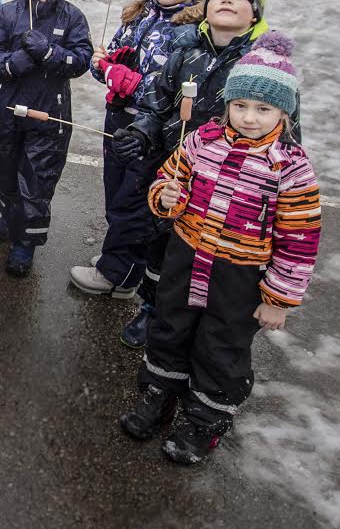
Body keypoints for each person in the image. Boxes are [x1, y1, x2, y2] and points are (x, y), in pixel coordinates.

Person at [121, 32, 320, 465]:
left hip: (239, 274)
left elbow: (298, 240)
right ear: (228, 103)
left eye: (263, 109)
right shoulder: (201, 141)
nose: (249, 117)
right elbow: (165, 181)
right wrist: (165, 197)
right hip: (187, 257)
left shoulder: (291, 169)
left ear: (284, 113)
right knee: (170, 326)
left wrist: (278, 300)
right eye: (241, 105)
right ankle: (161, 394)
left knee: (221, 346)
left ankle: (204, 419)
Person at [111, 0, 294, 347]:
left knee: (212, 252)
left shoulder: (264, 66)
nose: (227, 1)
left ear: (255, 13)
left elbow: (288, 130)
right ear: (205, 7)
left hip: (230, 178)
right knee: (162, 245)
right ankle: (153, 309)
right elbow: (157, 103)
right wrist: (140, 133)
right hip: (175, 167)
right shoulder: (184, 49)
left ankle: (206, 325)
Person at [69, 0, 217, 300]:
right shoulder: (139, 14)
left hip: (150, 130)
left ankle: (119, 275)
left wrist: (133, 82)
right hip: (118, 117)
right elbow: (109, 60)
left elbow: (177, 84)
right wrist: (105, 64)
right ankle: (120, 256)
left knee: (132, 199)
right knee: (114, 189)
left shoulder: (194, 30)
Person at [0, 0, 92, 276]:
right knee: (7, 169)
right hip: (9, 108)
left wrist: (49, 53)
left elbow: (82, 60)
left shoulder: (72, 18)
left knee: (37, 179)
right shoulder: (7, 14)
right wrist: (12, 64)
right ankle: (9, 217)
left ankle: (25, 243)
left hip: (50, 113)